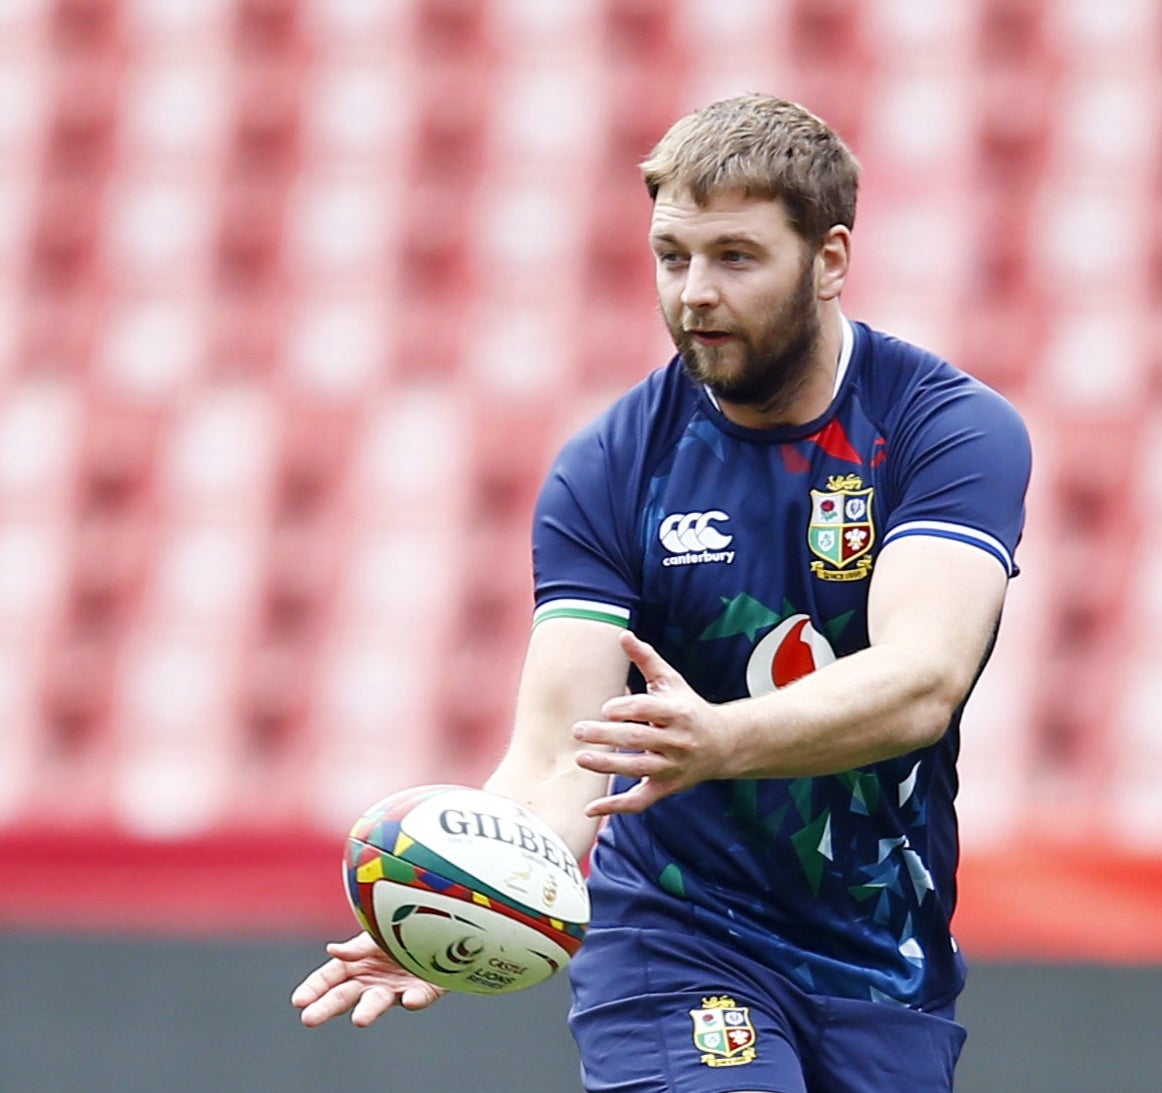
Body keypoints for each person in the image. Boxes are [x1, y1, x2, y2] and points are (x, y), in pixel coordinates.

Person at [292, 93, 1031, 1093]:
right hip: (676, 944)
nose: (694, 294)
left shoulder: (946, 430)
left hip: (881, 962)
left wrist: (718, 739)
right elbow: (560, 754)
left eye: (735, 257)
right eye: (672, 255)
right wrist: (466, 896)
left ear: (831, 260)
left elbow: (922, 677)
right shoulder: (610, 466)